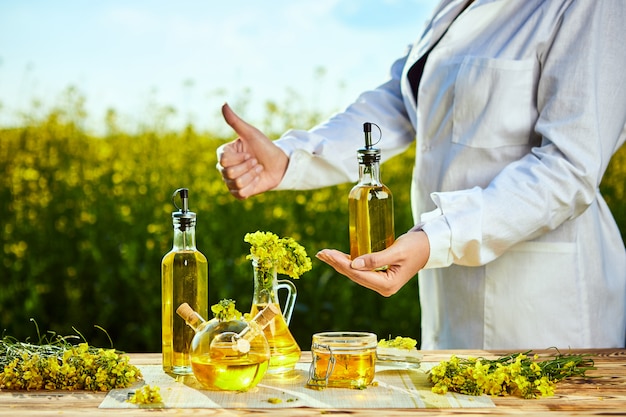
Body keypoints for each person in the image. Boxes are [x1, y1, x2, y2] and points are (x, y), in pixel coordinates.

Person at [217, 0, 626, 350]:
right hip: (451, 301)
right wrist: (290, 157)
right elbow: (405, 99)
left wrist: (437, 237)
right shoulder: (454, 5)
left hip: (543, 307)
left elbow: (570, 167)